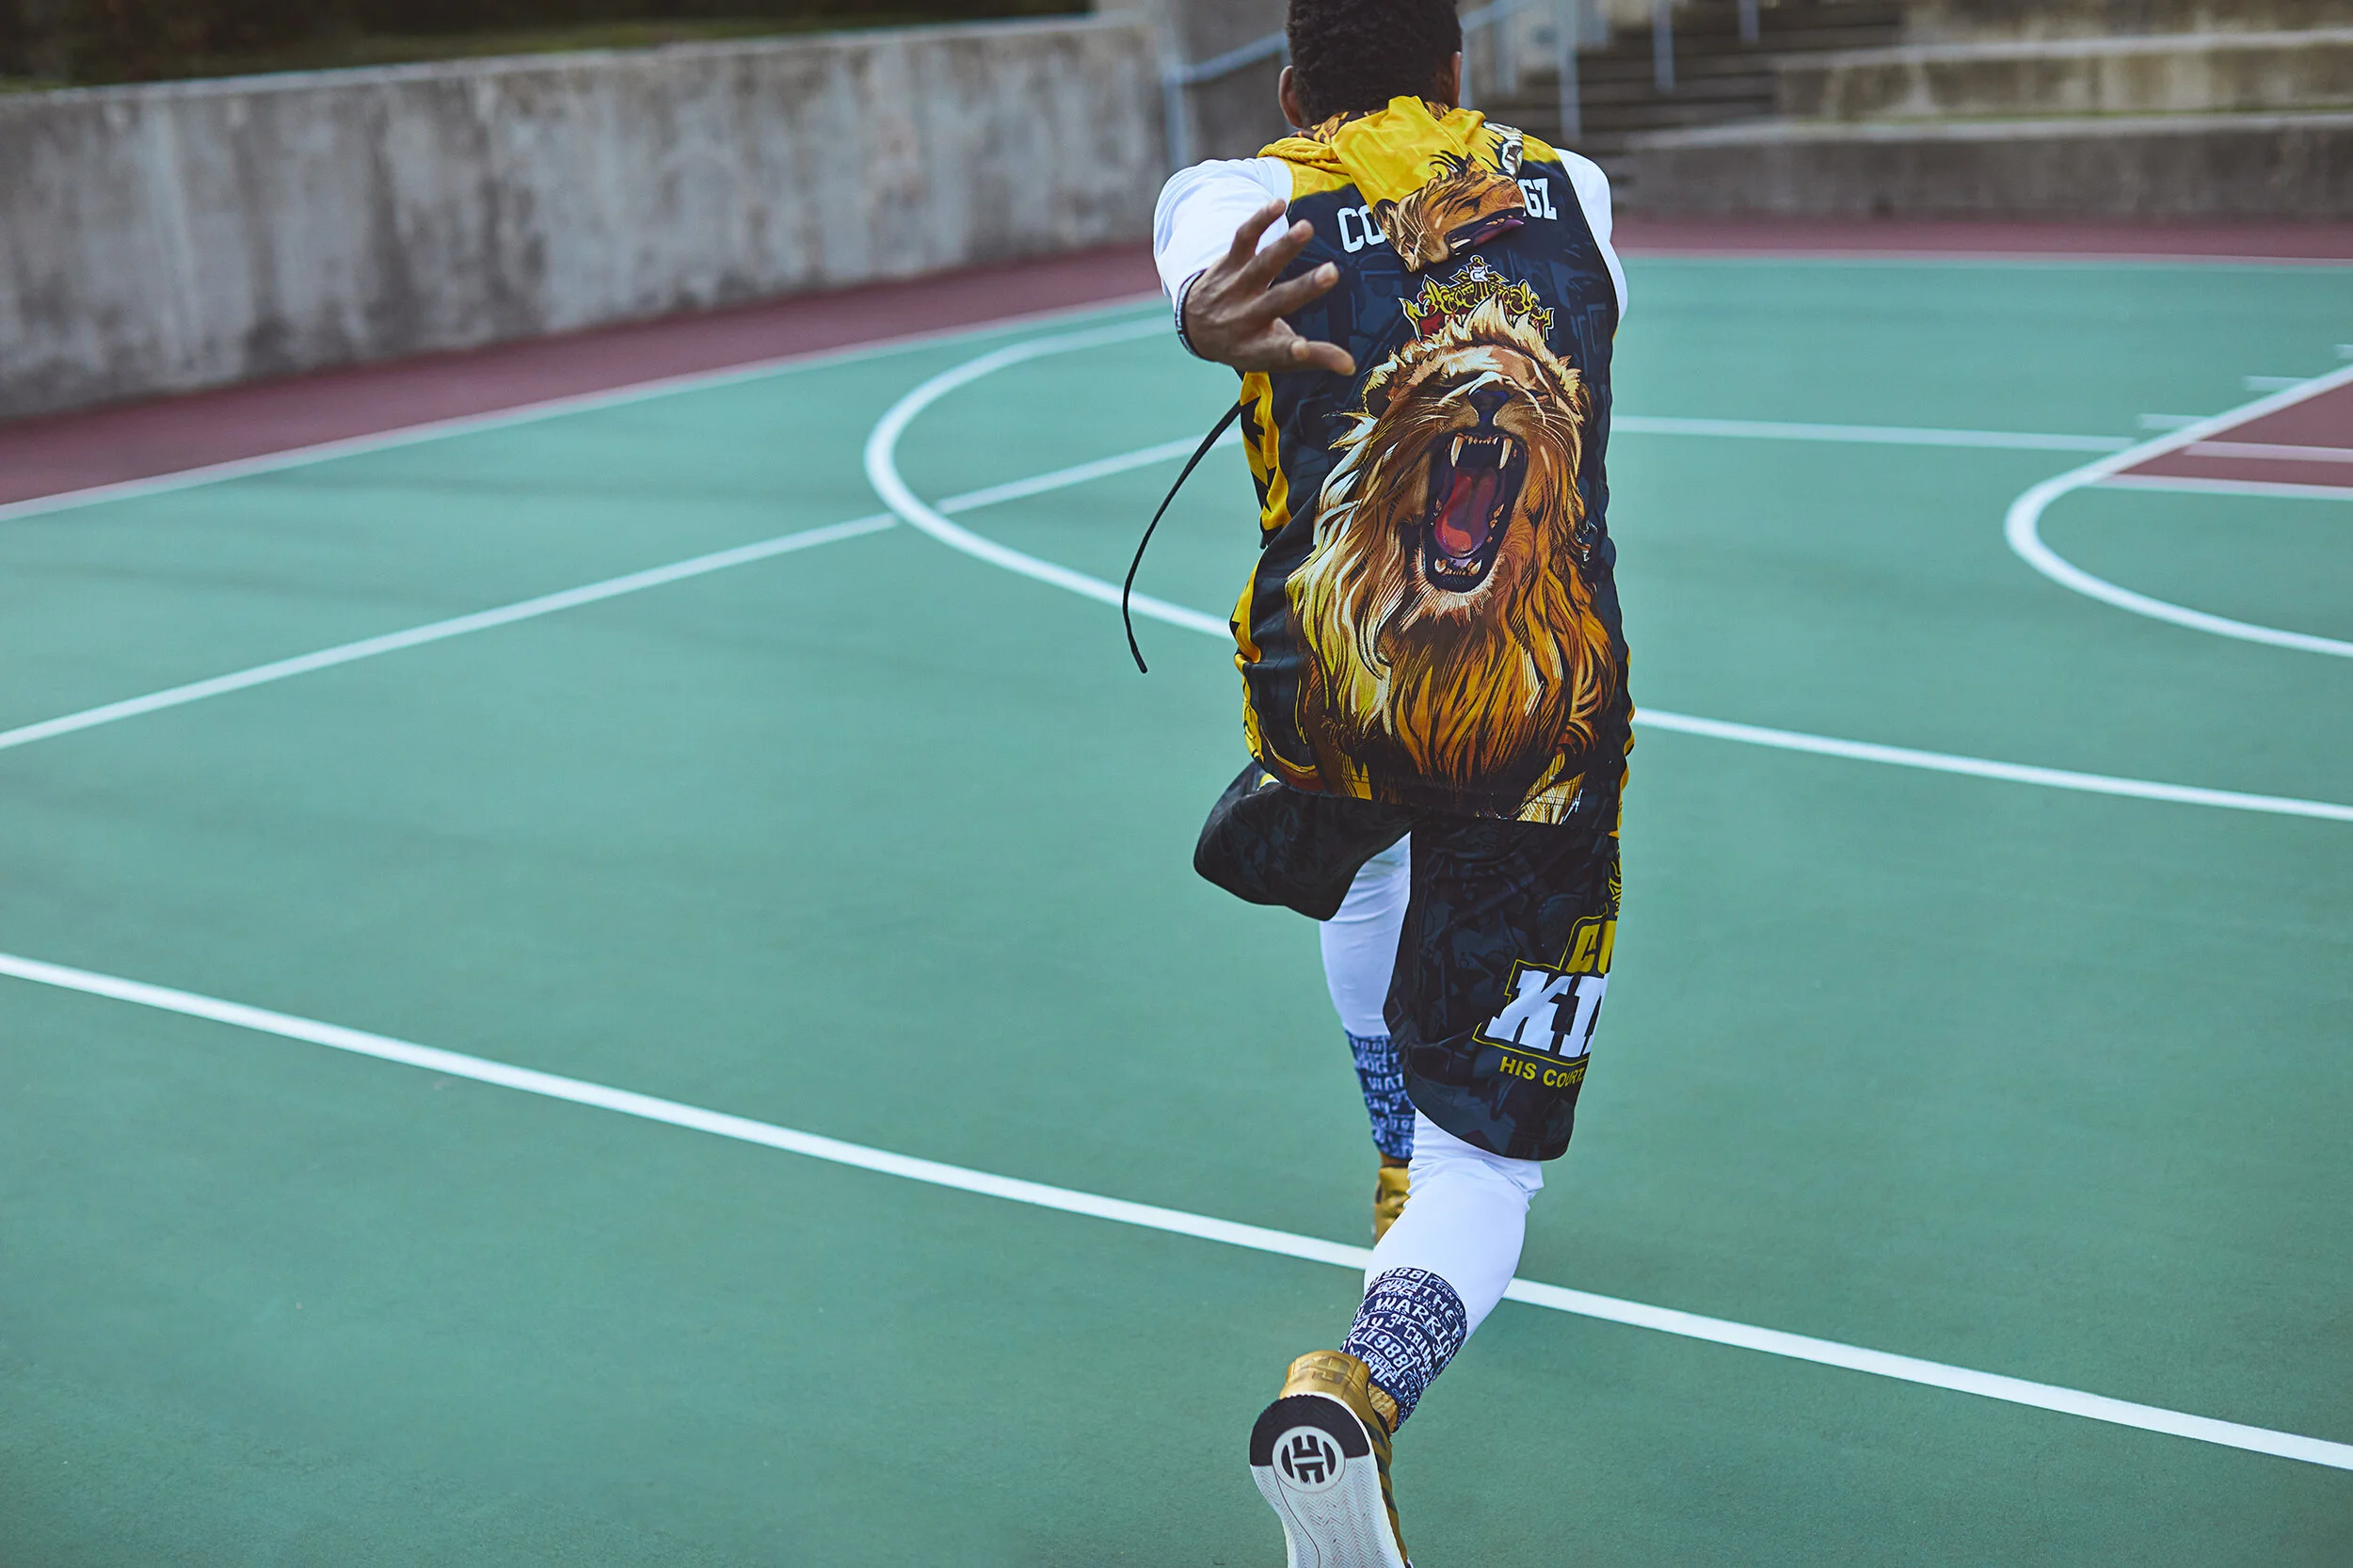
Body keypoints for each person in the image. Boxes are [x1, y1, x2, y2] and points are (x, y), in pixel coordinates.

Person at [1149, 0, 1632, 1559]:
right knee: (1490, 1163)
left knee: (1365, 860)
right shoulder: (1575, 188)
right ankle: (1362, 1383)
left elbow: (1197, 253)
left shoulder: (1244, 196)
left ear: (1293, 88)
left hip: (1337, 701)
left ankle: (1388, 1157)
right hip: (1538, 725)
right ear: (1459, 68)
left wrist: (1203, 316)